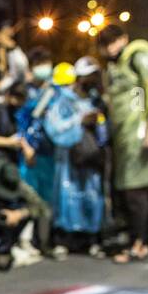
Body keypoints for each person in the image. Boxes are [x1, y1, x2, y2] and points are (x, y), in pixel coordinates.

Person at [99, 24, 148, 263]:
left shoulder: (139, 56)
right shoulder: (118, 66)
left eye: (113, 41)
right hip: (126, 135)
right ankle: (139, 239)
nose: (110, 48)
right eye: (105, 44)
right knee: (129, 189)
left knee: (136, 189)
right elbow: (135, 97)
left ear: (123, 38)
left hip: (140, 134)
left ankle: (139, 243)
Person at [45, 57, 106, 254]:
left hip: (92, 155)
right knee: (67, 196)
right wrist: (79, 121)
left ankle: (91, 236)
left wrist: (98, 124)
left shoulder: (97, 100)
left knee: (92, 194)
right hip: (69, 159)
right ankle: (64, 237)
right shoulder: (63, 100)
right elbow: (54, 128)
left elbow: (107, 131)